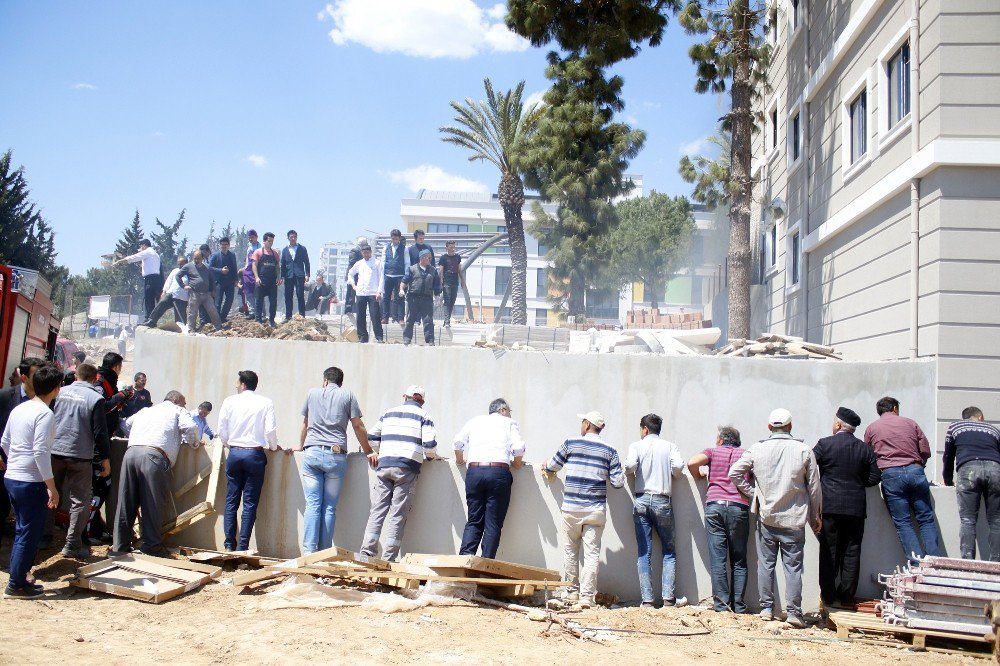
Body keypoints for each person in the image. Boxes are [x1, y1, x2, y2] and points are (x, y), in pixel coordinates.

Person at [729, 408, 821, 628]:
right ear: (790, 426)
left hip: (767, 516)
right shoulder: (803, 450)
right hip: (794, 518)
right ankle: (793, 613)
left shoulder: (757, 449)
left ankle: (767, 609)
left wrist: (755, 495)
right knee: (793, 567)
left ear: (769, 427)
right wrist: (815, 515)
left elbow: (734, 473)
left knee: (766, 565)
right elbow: (815, 487)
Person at [542, 411, 624, 608]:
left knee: (570, 550)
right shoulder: (610, 450)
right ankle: (587, 597)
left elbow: (553, 466)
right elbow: (618, 482)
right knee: (592, 553)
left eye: (582, 421)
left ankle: (572, 592)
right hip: (595, 509)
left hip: (571, 508)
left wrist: (547, 466)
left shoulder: (571, 443)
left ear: (587, 425)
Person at [291, 367, 376, 553]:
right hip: (335, 456)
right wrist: (368, 450)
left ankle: (308, 552)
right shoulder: (348, 395)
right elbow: (358, 426)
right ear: (340, 382)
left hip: (312, 453)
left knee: (313, 504)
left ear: (325, 380)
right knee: (329, 507)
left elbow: (305, 423)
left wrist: (300, 445)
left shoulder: (312, 393)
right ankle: (323, 553)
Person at [110, 391, 199, 557]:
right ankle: (151, 546)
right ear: (177, 400)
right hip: (154, 456)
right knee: (152, 503)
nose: (185, 406)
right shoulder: (177, 410)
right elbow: (191, 428)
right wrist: (194, 443)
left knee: (126, 502)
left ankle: (119, 547)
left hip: (131, 454)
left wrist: (142, 435)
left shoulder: (145, 410)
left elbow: (125, 424)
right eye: (184, 402)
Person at [1, 363, 62, 598]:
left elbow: (5, 442)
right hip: (30, 481)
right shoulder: (45, 414)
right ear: (57, 388)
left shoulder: (21, 409)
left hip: (12, 477)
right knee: (28, 533)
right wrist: (52, 487)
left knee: (21, 530)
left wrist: (13, 463)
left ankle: (18, 579)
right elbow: (40, 452)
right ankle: (16, 583)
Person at [812, 406, 881, 609]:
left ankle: (828, 595)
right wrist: (858, 483)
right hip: (855, 508)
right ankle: (847, 596)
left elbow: (808, 466)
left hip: (830, 506)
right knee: (852, 551)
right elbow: (875, 477)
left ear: (838, 424)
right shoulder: (864, 448)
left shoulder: (825, 444)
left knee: (829, 551)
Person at [361, 385, 437, 561]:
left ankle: (367, 552)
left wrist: (382, 451)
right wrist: (431, 457)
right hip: (406, 468)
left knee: (377, 510)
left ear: (405, 396)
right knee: (398, 513)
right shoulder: (424, 416)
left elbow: (371, 437)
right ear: (422, 401)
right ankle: (389, 557)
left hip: (384, 464)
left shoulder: (389, 413)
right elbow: (429, 446)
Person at [864, 396, 942, 562]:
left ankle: (917, 564)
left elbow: (867, 455)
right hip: (915, 470)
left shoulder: (872, 428)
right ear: (894, 408)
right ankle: (935, 563)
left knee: (903, 522)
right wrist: (918, 464)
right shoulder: (910, 423)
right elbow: (925, 450)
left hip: (891, 474)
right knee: (926, 519)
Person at [49, 363, 111, 559]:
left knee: (50, 494)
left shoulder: (60, 392)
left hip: (54, 451)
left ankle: (43, 536)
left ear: (76, 376)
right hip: (80, 455)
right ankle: (72, 544)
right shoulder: (96, 398)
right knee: (80, 501)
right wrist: (105, 459)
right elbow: (100, 432)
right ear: (95, 379)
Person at [687, 426, 751, 614]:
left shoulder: (713, 452)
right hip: (738, 507)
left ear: (722, 440)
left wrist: (699, 475)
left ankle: (722, 606)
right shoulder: (746, 454)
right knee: (739, 560)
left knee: (718, 559)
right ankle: (739, 606)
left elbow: (692, 462)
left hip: (715, 506)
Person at [624, 413, 684, 608]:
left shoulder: (636, 446)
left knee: (644, 552)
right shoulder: (669, 446)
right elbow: (678, 468)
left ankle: (648, 600)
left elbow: (630, 466)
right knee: (669, 550)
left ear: (645, 429)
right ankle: (668, 599)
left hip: (641, 499)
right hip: (662, 499)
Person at [453, 398, 525, 559]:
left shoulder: (475, 421)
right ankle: (485, 566)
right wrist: (518, 465)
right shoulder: (509, 423)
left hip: (474, 472)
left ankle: (464, 562)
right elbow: (518, 448)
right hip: (498, 472)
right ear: (503, 410)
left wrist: (459, 460)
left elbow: (457, 442)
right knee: (493, 523)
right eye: (509, 411)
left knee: (473, 520)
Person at [217, 370, 280, 551]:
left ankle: (229, 544)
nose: (236, 385)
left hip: (235, 453)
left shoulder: (230, 401)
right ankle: (243, 546)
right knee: (250, 503)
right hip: (254, 455)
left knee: (231, 501)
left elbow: (222, 428)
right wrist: (274, 447)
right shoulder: (266, 402)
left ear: (243, 384)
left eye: (238, 382)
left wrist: (228, 444)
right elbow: (270, 430)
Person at [0, 358, 48, 553]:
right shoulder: (4, 397)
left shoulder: (46, 402)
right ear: (23, 377)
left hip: (29, 473)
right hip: (4, 466)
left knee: (25, 521)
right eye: (36, 375)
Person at [943, 406, 1000, 561]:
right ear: (980, 417)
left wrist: (948, 480)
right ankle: (997, 564)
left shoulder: (955, 426)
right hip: (995, 469)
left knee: (968, 519)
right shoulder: (993, 429)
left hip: (968, 469)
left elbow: (948, 456)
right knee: (996, 520)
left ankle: (967, 562)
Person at [91, 352, 134, 542]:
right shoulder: (100, 382)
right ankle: (90, 531)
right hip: (97, 443)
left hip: (105, 439)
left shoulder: (107, 380)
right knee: (99, 487)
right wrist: (120, 396)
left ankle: (94, 529)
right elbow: (103, 408)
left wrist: (123, 399)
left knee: (101, 487)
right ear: (116, 367)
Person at [401, 249, 441, 346]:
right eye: (429, 257)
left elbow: (436, 284)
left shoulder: (433, 270)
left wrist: (437, 296)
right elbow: (404, 281)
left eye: (431, 258)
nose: (430, 259)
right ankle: (407, 339)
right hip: (413, 298)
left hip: (427, 299)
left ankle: (430, 340)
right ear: (422, 258)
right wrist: (401, 289)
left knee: (428, 320)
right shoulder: (411, 269)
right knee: (410, 319)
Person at [113, 238, 162, 319]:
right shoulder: (155, 254)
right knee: (152, 299)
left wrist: (119, 261)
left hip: (150, 279)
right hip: (157, 279)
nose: (141, 249)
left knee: (148, 299)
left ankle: (148, 318)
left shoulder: (147, 252)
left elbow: (134, 257)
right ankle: (153, 318)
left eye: (141, 247)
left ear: (144, 245)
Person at [176, 250, 223, 331]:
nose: (196, 260)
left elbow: (212, 280)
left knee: (213, 311)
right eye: (195, 258)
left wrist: (213, 291)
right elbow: (178, 276)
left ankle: (218, 328)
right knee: (192, 312)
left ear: (203, 258)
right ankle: (191, 329)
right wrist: (184, 286)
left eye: (198, 259)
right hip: (194, 293)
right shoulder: (188, 266)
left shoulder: (207, 267)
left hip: (206, 294)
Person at [347, 243, 384, 343]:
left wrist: (379, 292)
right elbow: (350, 273)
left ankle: (379, 337)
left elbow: (381, 278)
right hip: (360, 293)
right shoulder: (358, 263)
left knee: (375, 315)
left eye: (368, 253)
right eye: (364, 253)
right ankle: (363, 337)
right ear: (362, 253)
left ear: (371, 252)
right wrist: (353, 285)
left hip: (373, 293)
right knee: (360, 317)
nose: (366, 254)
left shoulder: (377, 263)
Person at [142, 255, 190, 329]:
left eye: (182, 264)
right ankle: (152, 321)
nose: (180, 266)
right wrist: (164, 291)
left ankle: (180, 330)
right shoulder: (175, 271)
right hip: (171, 294)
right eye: (179, 264)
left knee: (180, 320)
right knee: (161, 304)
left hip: (182, 298)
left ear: (186, 263)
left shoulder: (190, 273)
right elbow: (168, 281)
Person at [252, 232, 282, 327]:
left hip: (272, 282)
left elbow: (277, 266)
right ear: (264, 241)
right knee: (259, 301)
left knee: (273, 302)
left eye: (272, 241)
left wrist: (278, 277)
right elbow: (254, 265)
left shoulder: (275, 254)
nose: (271, 243)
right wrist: (256, 277)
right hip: (261, 281)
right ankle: (258, 320)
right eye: (269, 241)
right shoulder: (258, 252)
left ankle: (272, 321)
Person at [281, 230, 310, 320]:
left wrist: (307, 274)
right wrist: (282, 276)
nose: (293, 239)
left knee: (300, 295)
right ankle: (288, 316)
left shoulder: (302, 248)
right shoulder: (285, 250)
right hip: (288, 276)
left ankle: (302, 315)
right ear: (288, 238)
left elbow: (307, 262)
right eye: (291, 237)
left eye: (294, 237)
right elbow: (283, 264)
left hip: (299, 275)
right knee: (288, 296)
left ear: (296, 237)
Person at [208, 237, 239, 321]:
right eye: (222, 245)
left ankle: (222, 318)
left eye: (226, 244)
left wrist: (236, 280)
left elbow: (234, 268)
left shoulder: (232, 255)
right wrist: (220, 270)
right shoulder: (215, 255)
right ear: (220, 245)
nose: (224, 246)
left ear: (228, 245)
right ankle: (216, 320)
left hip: (230, 282)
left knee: (229, 300)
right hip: (219, 282)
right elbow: (210, 268)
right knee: (218, 302)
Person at [382, 229, 408, 325]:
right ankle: (385, 317)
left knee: (400, 297)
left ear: (399, 238)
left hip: (400, 276)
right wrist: (383, 275)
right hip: (388, 275)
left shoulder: (404, 249)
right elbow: (383, 262)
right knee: (386, 297)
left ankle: (401, 318)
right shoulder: (386, 248)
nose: (394, 240)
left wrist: (406, 278)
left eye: (396, 239)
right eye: (393, 238)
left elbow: (407, 263)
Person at [438, 240, 466, 328]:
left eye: (454, 247)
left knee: (452, 301)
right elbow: (441, 270)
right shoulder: (443, 258)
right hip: (446, 281)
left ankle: (447, 320)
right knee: (447, 300)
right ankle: (447, 321)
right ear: (447, 248)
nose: (453, 249)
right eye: (451, 247)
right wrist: (441, 280)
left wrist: (462, 280)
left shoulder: (458, 257)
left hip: (455, 281)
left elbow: (459, 270)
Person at [240, 229, 262, 320]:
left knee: (258, 293)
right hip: (248, 272)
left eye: (252, 237)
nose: (250, 239)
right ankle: (252, 312)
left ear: (256, 237)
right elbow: (247, 260)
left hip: (256, 272)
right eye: (249, 238)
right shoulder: (249, 247)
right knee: (248, 293)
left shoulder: (260, 247)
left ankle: (260, 313)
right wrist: (245, 269)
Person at [344, 236, 366, 315]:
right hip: (353, 275)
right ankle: (348, 309)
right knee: (350, 292)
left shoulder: (361, 251)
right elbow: (352, 262)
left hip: (358, 275)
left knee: (357, 293)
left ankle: (354, 309)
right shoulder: (355, 250)